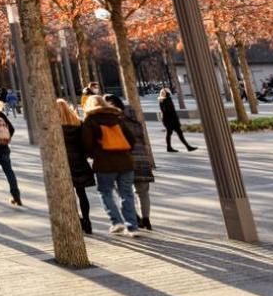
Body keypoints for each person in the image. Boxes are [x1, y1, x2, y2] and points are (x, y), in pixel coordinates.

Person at [80, 94, 139, 236]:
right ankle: (132, 227)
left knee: (105, 192)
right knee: (127, 194)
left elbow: (86, 144)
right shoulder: (117, 118)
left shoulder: (90, 120)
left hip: (104, 164)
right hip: (125, 162)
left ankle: (116, 221)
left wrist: (95, 153)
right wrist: (124, 151)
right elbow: (131, 140)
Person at [109, 94, 155, 231]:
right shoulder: (135, 121)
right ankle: (146, 219)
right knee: (143, 192)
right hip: (141, 160)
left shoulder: (115, 122)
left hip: (124, 161)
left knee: (123, 192)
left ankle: (136, 217)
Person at [56, 99, 95, 235]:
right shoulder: (78, 123)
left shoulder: (56, 127)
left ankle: (78, 220)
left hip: (64, 163)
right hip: (79, 162)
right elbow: (85, 142)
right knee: (82, 193)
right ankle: (87, 221)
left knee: (68, 195)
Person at [157, 88, 194, 152]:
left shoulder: (163, 100)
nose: (169, 93)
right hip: (171, 120)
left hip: (168, 120)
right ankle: (187, 147)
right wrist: (175, 119)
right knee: (176, 133)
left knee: (171, 133)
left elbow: (166, 111)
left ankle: (170, 148)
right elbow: (168, 111)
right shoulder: (166, 100)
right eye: (168, 92)